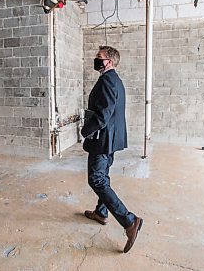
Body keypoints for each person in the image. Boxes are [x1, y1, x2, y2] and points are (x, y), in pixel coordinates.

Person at [81, 45, 143, 254]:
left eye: (99, 57)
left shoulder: (107, 80)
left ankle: (129, 221)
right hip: (111, 138)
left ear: (109, 61)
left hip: (103, 139)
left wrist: (85, 130)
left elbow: (103, 115)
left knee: (96, 179)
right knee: (103, 176)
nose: (95, 59)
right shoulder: (115, 79)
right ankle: (101, 212)